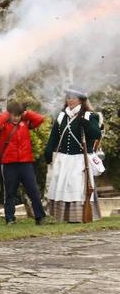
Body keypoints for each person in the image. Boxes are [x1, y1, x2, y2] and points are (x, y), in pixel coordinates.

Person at [44, 87, 102, 222]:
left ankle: (79, 216)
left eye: (73, 97)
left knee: (76, 186)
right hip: (64, 159)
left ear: (81, 100)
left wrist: (86, 124)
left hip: (80, 159)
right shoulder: (61, 115)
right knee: (62, 185)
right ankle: (63, 216)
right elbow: (54, 136)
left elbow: (96, 134)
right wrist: (48, 150)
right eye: (68, 97)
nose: (69, 100)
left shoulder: (89, 115)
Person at [0, 101, 47, 225]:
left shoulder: (26, 123)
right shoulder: (4, 125)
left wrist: (26, 113)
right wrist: (8, 113)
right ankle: (10, 218)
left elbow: (39, 119)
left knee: (33, 191)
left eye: (18, 115)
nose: (16, 118)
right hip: (9, 164)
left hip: (25, 163)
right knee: (10, 192)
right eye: (13, 115)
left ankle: (40, 217)